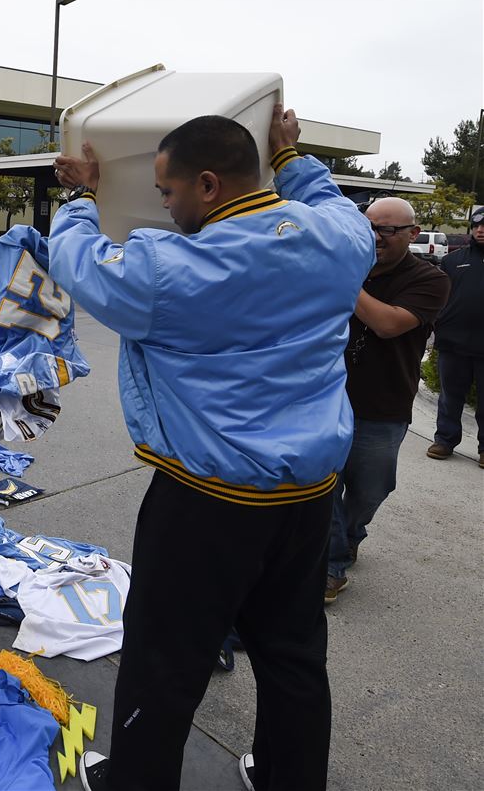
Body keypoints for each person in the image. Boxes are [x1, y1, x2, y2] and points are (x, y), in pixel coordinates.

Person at [49, 106, 375, 791]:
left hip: (208, 502)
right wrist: (289, 154)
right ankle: (290, 777)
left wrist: (81, 196)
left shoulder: (167, 270)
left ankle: (139, 782)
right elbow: (322, 198)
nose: (163, 205)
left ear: (206, 184)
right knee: (292, 652)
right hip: (311, 496)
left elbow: (76, 263)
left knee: (165, 658)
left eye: (166, 192)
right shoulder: (344, 241)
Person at [326, 198, 449, 603]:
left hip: (383, 406)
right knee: (324, 486)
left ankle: (350, 535)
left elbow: (386, 323)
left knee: (369, 491)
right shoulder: (350, 266)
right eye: (368, 228)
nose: (375, 237)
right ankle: (330, 565)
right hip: (326, 400)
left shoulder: (430, 279)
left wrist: (343, 281)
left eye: (387, 230)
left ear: (413, 235)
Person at [427, 208, 484, 468]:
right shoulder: (453, 260)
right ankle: (445, 440)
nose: (481, 230)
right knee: (450, 396)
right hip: (453, 343)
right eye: (477, 226)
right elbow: (438, 297)